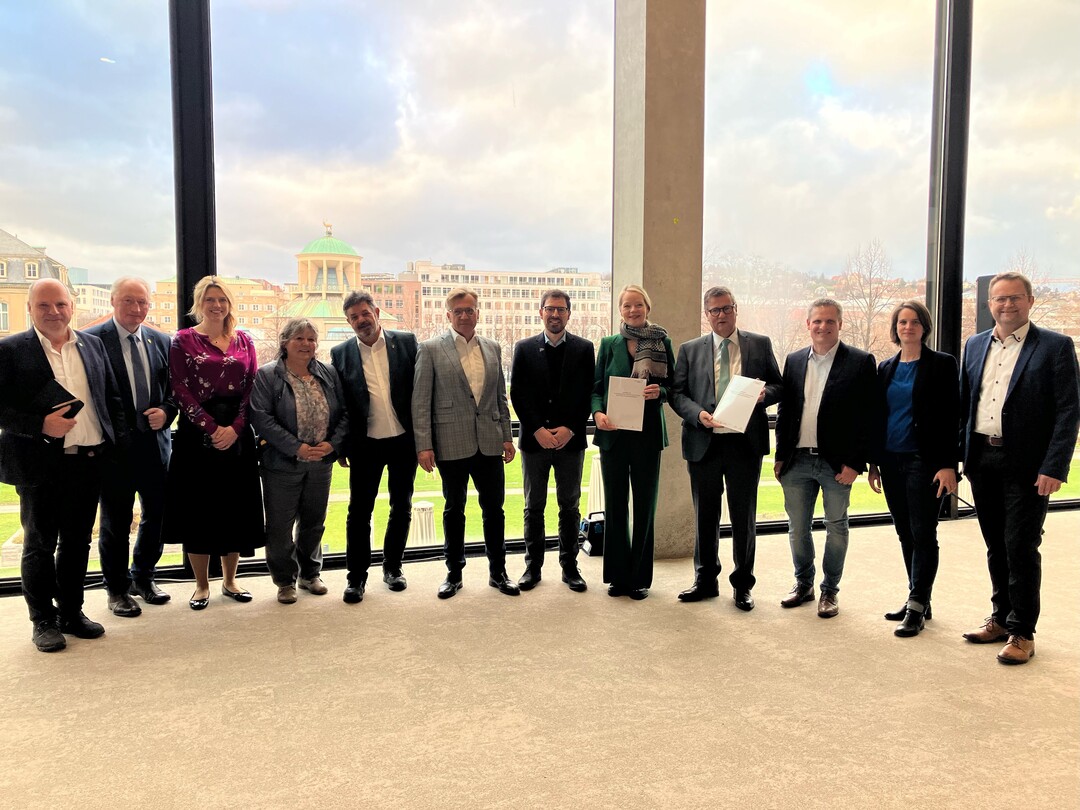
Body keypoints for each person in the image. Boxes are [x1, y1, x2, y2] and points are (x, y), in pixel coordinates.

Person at [959, 272, 1079, 665]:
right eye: (999, 299)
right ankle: (999, 618)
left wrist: (1054, 466)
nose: (1006, 305)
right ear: (989, 304)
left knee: (1021, 546)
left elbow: (1067, 411)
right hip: (982, 458)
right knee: (996, 545)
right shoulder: (975, 345)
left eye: (1015, 298)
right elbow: (965, 405)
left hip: (1028, 466)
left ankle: (1022, 631)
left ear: (1029, 301)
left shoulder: (1056, 347)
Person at [0, 278, 125, 652]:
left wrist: (114, 440)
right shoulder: (9, 350)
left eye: (60, 305)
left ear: (71, 306)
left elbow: (110, 398)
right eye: (44, 306)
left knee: (76, 543)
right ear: (30, 309)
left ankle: (72, 612)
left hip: (87, 460)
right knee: (38, 544)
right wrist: (40, 425)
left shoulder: (93, 344)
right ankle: (43, 621)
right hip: (39, 463)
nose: (53, 312)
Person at [670, 285, 782, 610]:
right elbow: (677, 394)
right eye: (714, 310)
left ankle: (743, 586)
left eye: (726, 308)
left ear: (736, 309)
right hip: (703, 442)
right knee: (705, 516)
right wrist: (697, 415)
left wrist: (764, 395)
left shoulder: (759, 345)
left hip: (744, 444)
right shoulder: (690, 350)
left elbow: (779, 385)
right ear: (706, 315)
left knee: (743, 518)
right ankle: (705, 580)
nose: (721, 315)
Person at [163, 276, 264, 610]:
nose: (217, 305)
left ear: (229, 304)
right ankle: (202, 585)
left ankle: (231, 580)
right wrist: (210, 427)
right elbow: (179, 387)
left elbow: (252, 387)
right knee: (199, 509)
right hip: (197, 434)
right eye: (210, 299)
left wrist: (235, 427)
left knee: (235, 506)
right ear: (199, 304)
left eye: (222, 299)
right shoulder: (183, 340)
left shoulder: (245, 340)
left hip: (237, 432)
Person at [412, 287, 518, 599]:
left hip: (488, 441)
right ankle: (453, 573)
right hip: (449, 442)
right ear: (448, 315)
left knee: (494, 509)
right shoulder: (430, 349)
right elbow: (421, 401)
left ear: (477, 313)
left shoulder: (493, 347)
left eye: (469, 310)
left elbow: (500, 396)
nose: (464, 315)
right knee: (454, 509)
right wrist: (423, 445)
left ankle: (498, 572)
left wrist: (507, 437)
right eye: (457, 311)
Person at [774, 298, 876, 618]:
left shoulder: (860, 361)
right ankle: (803, 584)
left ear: (840, 324)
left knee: (837, 526)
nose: (823, 326)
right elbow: (786, 412)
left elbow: (867, 417)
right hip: (797, 460)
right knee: (797, 528)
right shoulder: (792, 361)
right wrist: (780, 455)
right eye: (817, 321)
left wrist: (856, 463)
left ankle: (829, 590)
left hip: (837, 465)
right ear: (808, 324)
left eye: (830, 321)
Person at [867, 300, 959, 637]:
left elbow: (953, 416)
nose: (908, 327)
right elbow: (879, 417)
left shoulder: (942, 365)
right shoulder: (886, 367)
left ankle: (917, 605)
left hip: (925, 462)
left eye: (915, 321)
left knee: (923, 533)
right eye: (903, 322)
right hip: (891, 461)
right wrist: (874, 464)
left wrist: (949, 464)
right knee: (905, 532)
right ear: (895, 328)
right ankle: (918, 597)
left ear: (924, 327)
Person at [86, 276, 177, 617]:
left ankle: (143, 577)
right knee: (115, 522)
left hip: (155, 446)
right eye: (129, 301)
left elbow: (173, 391)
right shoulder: (92, 341)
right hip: (114, 452)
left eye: (142, 302)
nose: (136, 309)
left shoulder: (161, 340)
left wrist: (167, 411)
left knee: (157, 516)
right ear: (113, 301)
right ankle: (117, 589)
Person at [250, 318, 348, 604]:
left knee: (314, 522)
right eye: (299, 339)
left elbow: (344, 412)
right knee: (280, 526)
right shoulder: (268, 375)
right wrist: (297, 448)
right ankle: (284, 580)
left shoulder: (328, 373)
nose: (306, 344)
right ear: (285, 342)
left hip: (321, 462)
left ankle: (310, 575)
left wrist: (333, 444)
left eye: (311, 339)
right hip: (282, 463)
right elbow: (261, 418)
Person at [330, 291, 418, 603]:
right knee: (358, 512)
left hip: (403, 440)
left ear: (376, 312)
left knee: (401, 507)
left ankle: (393, 568)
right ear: (348, 321)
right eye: (354, 317)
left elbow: (419, 394)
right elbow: (339, 404)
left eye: (364, 313)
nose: (361, 320)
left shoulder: (407, 343)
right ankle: (356, 578)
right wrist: (340, 448)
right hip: (364, 444)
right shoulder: (340, 353)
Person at [591, 284, 675, 600]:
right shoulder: (609, 344)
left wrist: (660, 393)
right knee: (615, 507)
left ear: (647, 308)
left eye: (638, 305)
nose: (632, 310)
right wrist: (598, 413)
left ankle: (639, 578)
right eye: (627, 306)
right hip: (613, 435)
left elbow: (674, 387)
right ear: (620, 310)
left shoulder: (661, 341)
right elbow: (596, 389)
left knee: (644, 508)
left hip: (647, 436)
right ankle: (618, 577)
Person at [509, 289, 595, 593]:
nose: (555, 314)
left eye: (561, 309)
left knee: (569, 506)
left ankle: (570, 567)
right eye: (549, 309)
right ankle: (533, 567)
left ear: (569, 314)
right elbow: (517, 393)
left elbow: (588, 393)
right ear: (541, 312)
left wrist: (571, 428)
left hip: (570, 442)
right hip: (535, 442)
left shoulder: (585, 349)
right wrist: (537, 430)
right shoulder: (523, 348)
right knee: (534, 506)